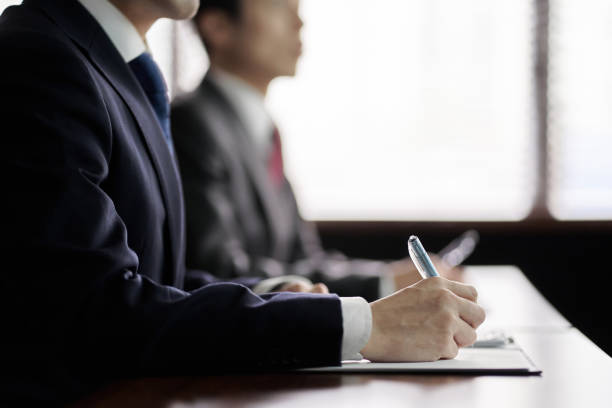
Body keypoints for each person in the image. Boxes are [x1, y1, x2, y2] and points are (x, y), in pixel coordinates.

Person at [0, 0, 485, 405]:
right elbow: (100, 311)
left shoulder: (112, 70)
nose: (299, 20)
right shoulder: (40, 58)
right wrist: (360, 324)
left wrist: (280, 292)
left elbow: (155, 279)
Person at [171, 0, 455, 302]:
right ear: (218, 26)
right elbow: (220, 269)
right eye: (279, 6)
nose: (299, 22)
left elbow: (304, 257)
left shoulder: (262, 129)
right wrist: (381, 284)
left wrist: (389, 276)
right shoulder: (191, 124)